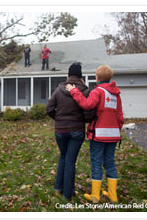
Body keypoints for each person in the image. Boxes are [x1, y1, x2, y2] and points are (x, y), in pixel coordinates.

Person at [65, 65, 124, 203]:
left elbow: (86, 104)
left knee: (97, 163)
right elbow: (120, 117)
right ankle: (112, 195)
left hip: (99, 134)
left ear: (97, 77)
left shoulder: (98, 91)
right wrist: (117, 130)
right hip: (113, 135)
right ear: (110, 78)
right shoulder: (116, 95)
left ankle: (95, 196)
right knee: (110, 162)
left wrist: (74, 91)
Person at [46, 62, 94, 200]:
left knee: (63, 157)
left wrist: (59, 119)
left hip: (60, 130)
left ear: (68, 75)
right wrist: (81, 120)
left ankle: (58, 189)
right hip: (76, 131)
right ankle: (67, 194)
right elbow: (89, 113)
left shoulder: (58, 89)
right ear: (80, 76)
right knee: (70, 161)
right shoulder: (85, 91)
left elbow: (49, 109)